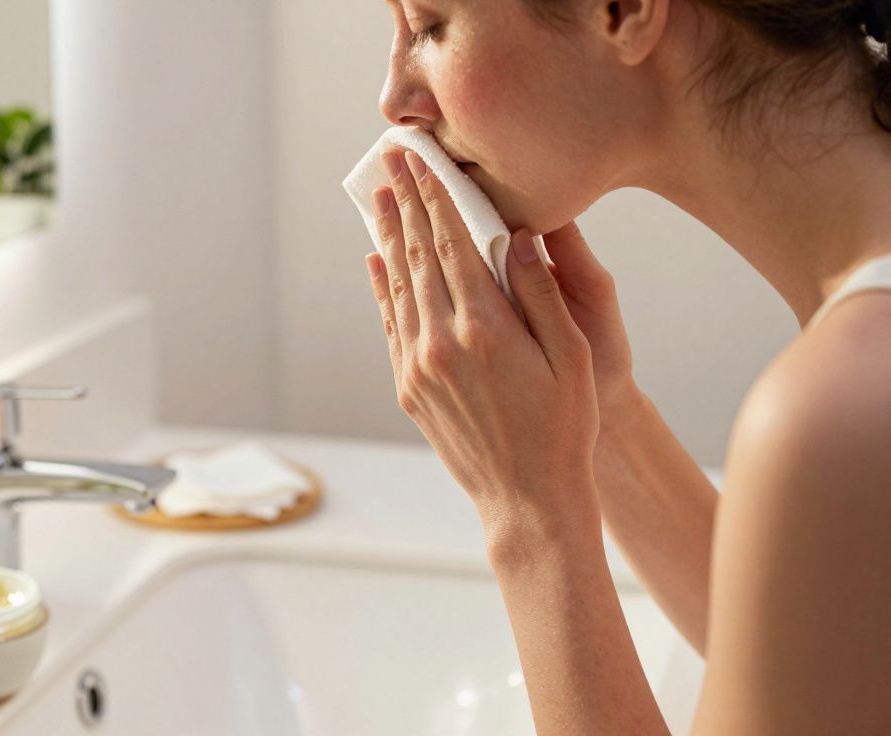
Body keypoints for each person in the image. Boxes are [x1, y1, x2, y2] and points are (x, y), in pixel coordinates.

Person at [362, 0, 891, 732]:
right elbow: (817, 658)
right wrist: (600, 419)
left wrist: (528, 513)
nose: (394, 100)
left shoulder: (848, 409)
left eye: (429, 25)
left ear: (623, 9)